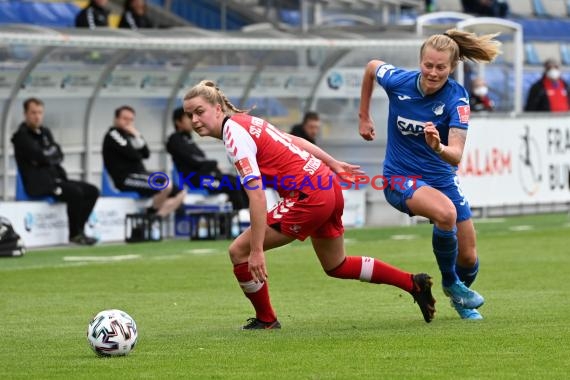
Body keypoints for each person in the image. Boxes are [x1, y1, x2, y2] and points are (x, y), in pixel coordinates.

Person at [183, 80, 436, 329]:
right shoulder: (247, 122)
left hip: (309, 195)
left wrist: (256, 250)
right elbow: (294, 141)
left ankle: (266, 320)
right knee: (337, 264)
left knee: (239, 251)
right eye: (189, 115)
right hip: (326, 184)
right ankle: (413, 283)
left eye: (199, 112)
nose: (194, 120)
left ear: (218, 109)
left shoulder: (233, 135)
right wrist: (333, 164)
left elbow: (257, 195)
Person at [358, 29, 502, 320]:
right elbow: (372, 67)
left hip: (441, 177)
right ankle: (450, 285)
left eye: (441, 67)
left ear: (452, 67)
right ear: (420, 61)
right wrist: (364, 115)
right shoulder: (399, 81)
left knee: (469, 256)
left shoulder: (457, 100)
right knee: (446, 214)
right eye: (428, 65)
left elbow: (457, 154)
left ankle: (460, 297)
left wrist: (438, 146)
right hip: (399, 177)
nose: (433, 73)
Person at [11, 98, 100, 245]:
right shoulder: (21, 136)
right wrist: (47, 155)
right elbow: (39, 156)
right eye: (33, 112)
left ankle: (80, 230)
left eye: (40, 112)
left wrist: (46, 156)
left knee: (92, 191)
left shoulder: (45, 132)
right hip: (39, 184)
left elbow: (58, 154)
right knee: (75, 193)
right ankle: (75, 235)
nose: (37, 116)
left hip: (57, 179)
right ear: (25, 114)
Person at [102, 105, 185, 218]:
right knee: (165, 185)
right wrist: (136, 145)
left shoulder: (130, 135)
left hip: (140, 175)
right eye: (124, 119)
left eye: (131, 120)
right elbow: (134, 155)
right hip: (126, 179)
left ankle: (154, 217)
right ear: (116, 119)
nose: (128, 122)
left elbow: (146, 153)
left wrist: (137, 135)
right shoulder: (113, 134)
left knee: (180, 193)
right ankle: (151, 213)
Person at [167, 107, 248, 211]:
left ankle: (246, 217)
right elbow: (194, 161)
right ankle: (238, 218)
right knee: (231, 185)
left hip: (205, 176)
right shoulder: (175, 140)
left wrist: (214, 168)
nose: (191, 120)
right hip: (195, 180)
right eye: (187, 118)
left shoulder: (188, 139)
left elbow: (200, 160)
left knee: (239, 182)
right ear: (178, 122)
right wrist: (214, 164)